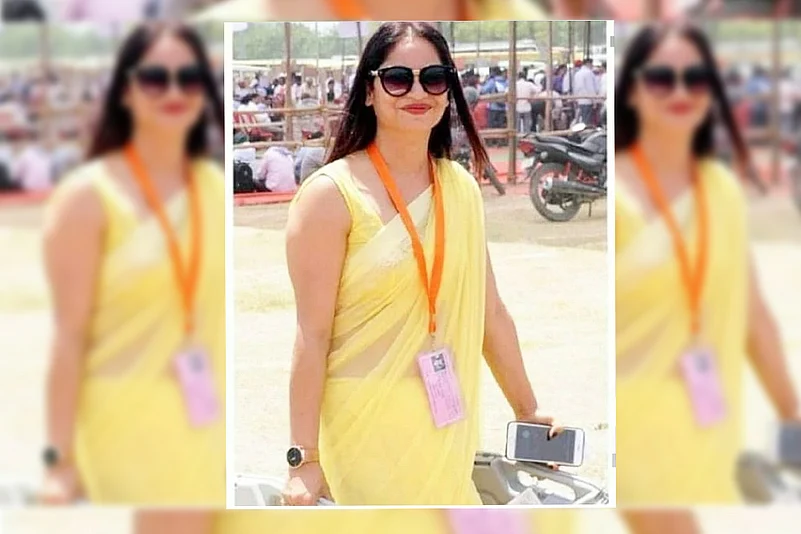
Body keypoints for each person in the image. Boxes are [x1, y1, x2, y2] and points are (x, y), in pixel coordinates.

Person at [281, 21, 561, 507]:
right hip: (364, 430)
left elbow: (491, 314)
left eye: (433, 78)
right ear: (369, 91)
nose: (417, 92)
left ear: (448, 92)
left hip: (445, 427)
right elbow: (313, 334)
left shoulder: (461, 189)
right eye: (397, 78)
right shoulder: (329, 196)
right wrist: (303, 459)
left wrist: (528, 409)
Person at [615, 21, 800, 533]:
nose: (681, 92)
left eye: (696, 79)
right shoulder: (616, 197)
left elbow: (754, 316)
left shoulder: (721, 189)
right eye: (661, 78)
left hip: (708, 423)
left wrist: (792, 414)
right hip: (634, 432)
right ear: (632, 91)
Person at [39, 22, 225, 506]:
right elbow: (68, 337)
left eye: (189, 78)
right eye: (155, 78)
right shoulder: (86, 198)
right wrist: (58, 463)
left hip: (204, 426)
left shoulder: (212, 186)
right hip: (121, 432)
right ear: (125, 90)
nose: (174, 92)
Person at [572, 57, 597, 125]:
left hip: (580, 100)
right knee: (587, 121)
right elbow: (590, 88)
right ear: (588, 64)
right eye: (591, 64)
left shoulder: (577, 73)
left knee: (581, 119)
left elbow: (575, 87)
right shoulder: (588, 73)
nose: (592, 66)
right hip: (588, 101)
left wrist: (576, 99)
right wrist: (594, 101)